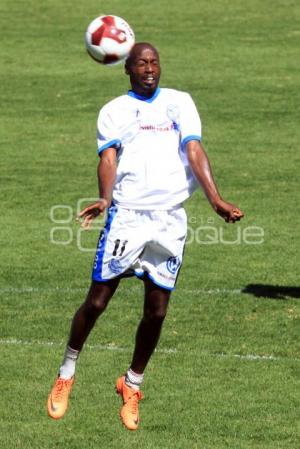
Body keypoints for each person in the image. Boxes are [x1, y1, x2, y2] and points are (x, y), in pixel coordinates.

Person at [47, 42, 244, 430]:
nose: (149, 69)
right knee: (98, 301)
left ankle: (132, 384)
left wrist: (215, 199)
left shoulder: (180, 102)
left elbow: (194, 149)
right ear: (127, 69)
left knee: (157, 310)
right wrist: (104, 199)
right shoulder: (114, 111)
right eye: (141, 63)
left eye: (154, 62)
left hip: (170, 220)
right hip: (128, 218)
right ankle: (67, 371)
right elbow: (108, 158)